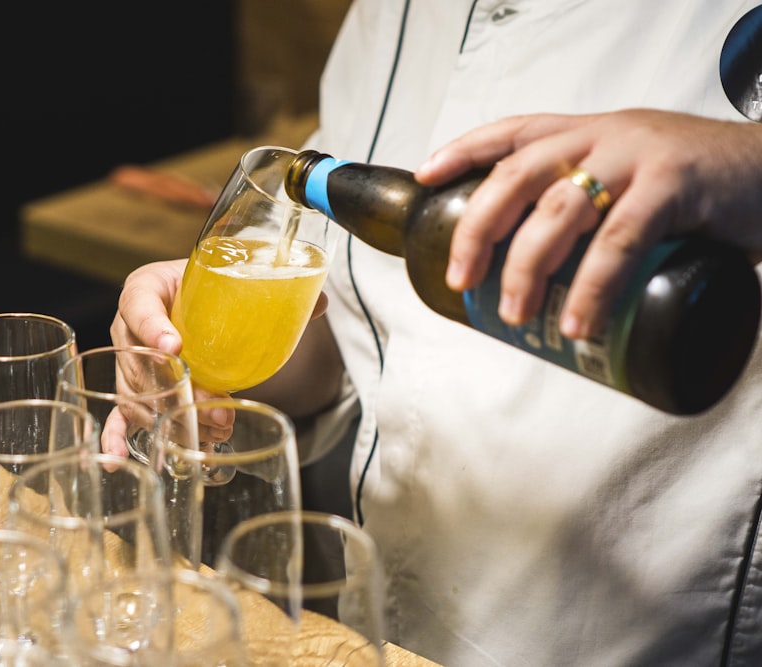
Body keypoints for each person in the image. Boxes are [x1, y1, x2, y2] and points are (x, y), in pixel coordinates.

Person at [110, 1, 762, 664]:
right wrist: (214, 342)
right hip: (390, 627)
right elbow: (352, 328)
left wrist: (752, 162)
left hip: (641, 627)